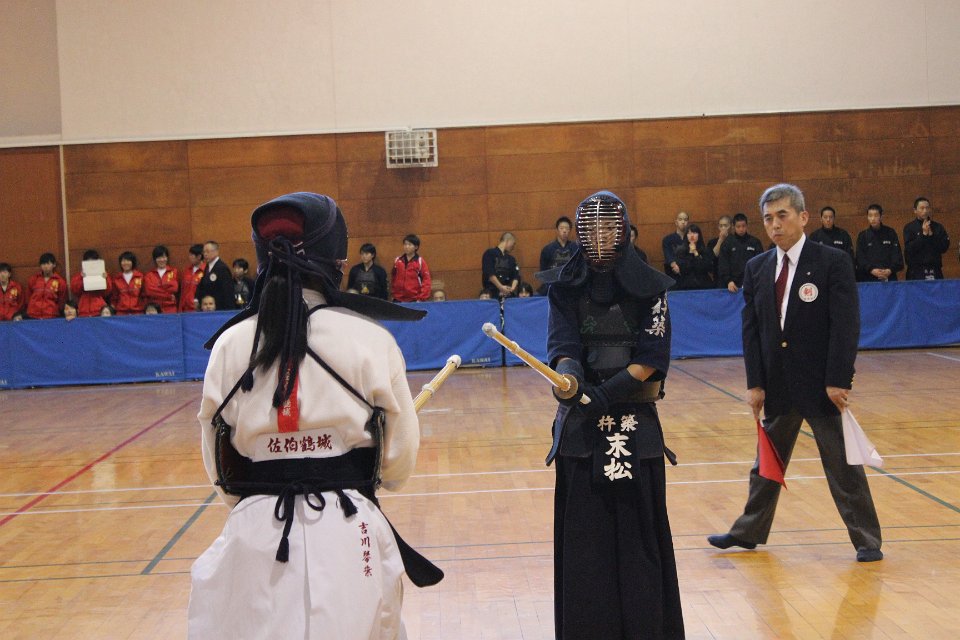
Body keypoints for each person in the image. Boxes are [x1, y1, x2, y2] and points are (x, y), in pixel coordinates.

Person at [189, 191, 441, 639]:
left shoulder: (229, 346)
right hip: (349, 530)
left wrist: (262, 491)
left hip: (253, 536)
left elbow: (219, 468)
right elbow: (398, 464)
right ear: (336, 260)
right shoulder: (369, 338)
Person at [707, 183, 882, 563]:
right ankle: (748, 531)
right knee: (766, 464)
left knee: (843, 465)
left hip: (822, 385)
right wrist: (755, 384)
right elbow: (751, 330)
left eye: (782, 216)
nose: (775, 225)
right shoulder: (756, 268)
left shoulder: (832, 262)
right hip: (778, 385)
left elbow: (846, 325)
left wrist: (838, 379)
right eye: (768, 218)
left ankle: (867, 540)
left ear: (803, 217)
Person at [538, 191, 684, 639]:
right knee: (586, 547)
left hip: (635, 425)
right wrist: (570, 380)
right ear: (581, 234)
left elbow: (652, 356)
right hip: (581, 430)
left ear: (623, 231)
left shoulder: (652, 288)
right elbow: (563, 346)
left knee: (640, 544)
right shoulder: (564, 287)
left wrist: (609, 393)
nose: (600, 237)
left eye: (608, 227)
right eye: (592, 228)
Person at [903, 197, 950, 280]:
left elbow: (944, 248)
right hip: (915, 271)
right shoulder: (909, 228)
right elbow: (909, 249)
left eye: (927, 208)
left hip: (935, 269)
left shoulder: (937, 227)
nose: (925, 211)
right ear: (915, 210)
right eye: (922, 208)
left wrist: (931, 236)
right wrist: (923, 235)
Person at [717, 213, 764, 292]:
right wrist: (728, 281)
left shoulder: (755, 242)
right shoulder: (727, 243)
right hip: (733, 285)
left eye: (743, 226)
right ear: (733, 227)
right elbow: (723, 264)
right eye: (738, 226)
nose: (741, 229)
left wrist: (756, 279)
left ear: (747, 226)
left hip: (752, 283)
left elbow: (760, 263)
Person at [855, 204, 903, 282]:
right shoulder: (863, 236)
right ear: (867, 217)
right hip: (868, 278)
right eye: (870, 216)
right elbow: (860, 259)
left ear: (881, 217)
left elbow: (897, 256)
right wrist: (872, 270)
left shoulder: (890, 233)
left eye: (876, 215)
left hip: (889, 277)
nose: (873, 218)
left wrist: (889, 270)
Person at [538, 217, 579, 294]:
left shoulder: (576, 248)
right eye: (561, 228)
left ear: (570, 231)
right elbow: (543, 271)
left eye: (567, 228)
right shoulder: (547, 249)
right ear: (557, 230)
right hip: (553, 286)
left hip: (571, 286)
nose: (564, 231)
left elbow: (579, 269)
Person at [70, 249, 113, 317]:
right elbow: (75, 290)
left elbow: (107, 292)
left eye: (93, 262)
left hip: (99, 310)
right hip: (83, 310)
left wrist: (105, 279)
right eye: (88, 262)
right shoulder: (79, 276)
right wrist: (81, 278)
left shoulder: (103, 274)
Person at [196, 241, 236, 311]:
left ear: (216, 252)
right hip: (208, 308)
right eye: (204, 252)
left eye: (207, 251)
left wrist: (228, 310)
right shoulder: (207, 267)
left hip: (220, 308)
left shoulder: (222, 268)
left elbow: (228, 291)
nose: (205, 254)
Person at [390, 234, 432, 302]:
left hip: (414, 299)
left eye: (409, 244)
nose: (406, 247)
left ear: (416, 247)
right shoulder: (397, 260)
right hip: (398, 299)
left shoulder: (420, 262)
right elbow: (393, 278)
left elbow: (426, 281)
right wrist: (393, 294)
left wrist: (421, 298)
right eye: (405, 244)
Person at [673, 223, 714, 290]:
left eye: (694, 233)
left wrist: (695, 253)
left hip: (703, 285)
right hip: (685, 286)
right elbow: (683, 270)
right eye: (689, 233)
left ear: (699, 235)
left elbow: (708, 268)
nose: (692, 235)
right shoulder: (680, 251)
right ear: (686, 236)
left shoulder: (705, 250)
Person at [26, 253, 67, 319]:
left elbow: (62, 300)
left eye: (48, 264)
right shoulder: (34, 279)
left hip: (51, 315)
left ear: (54, 265)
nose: (45, 266)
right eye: (43, 264)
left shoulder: (60, 281)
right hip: (33, 315)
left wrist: (55, 310)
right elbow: (28, 297)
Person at [481, 232, 520, 298]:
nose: (513, 247)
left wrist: (512, 289)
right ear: (508, 240)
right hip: (491, 293)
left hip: (507, 294)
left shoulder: (511, 259)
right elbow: (489, 273)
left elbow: (516, 276)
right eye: (513, 244)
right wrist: (501, 287)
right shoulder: (490, 253)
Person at [143, 245, 180, 314]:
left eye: (164, 257)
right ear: (155, 259)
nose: (162, 260)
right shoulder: (149, 275)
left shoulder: (174, 272)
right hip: (154, 310)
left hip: (170, 308)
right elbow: (150, 292)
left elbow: (174, 288)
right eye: (159, 257)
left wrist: (157, 289)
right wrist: (168, 295)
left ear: (167, 258)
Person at [110, 251, 145, 315]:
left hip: (138, 312)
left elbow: (144, 294)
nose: (126, 263)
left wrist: (142, 306)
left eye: (128, 261)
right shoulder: (117, 279)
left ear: (132, 262)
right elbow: (114, 297)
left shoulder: (139, 277)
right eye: (123, 261)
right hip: (121, 312)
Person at [662, 211, 690, 276]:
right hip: (673, 271)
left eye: (685, 220)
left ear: (688, 222)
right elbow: (668, 255)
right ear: (676, 222)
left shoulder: (691, 238)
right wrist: (674, 265)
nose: (683, 222)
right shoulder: (667, 239)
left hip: (689, 272)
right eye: (680, 219)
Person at [180, 244, 206, 312]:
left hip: (198, 309)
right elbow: (182, 291)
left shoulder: (206, 271)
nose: (189, 257)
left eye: (192, 255)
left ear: (199, 256)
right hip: (185, 309)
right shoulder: (186, 271)